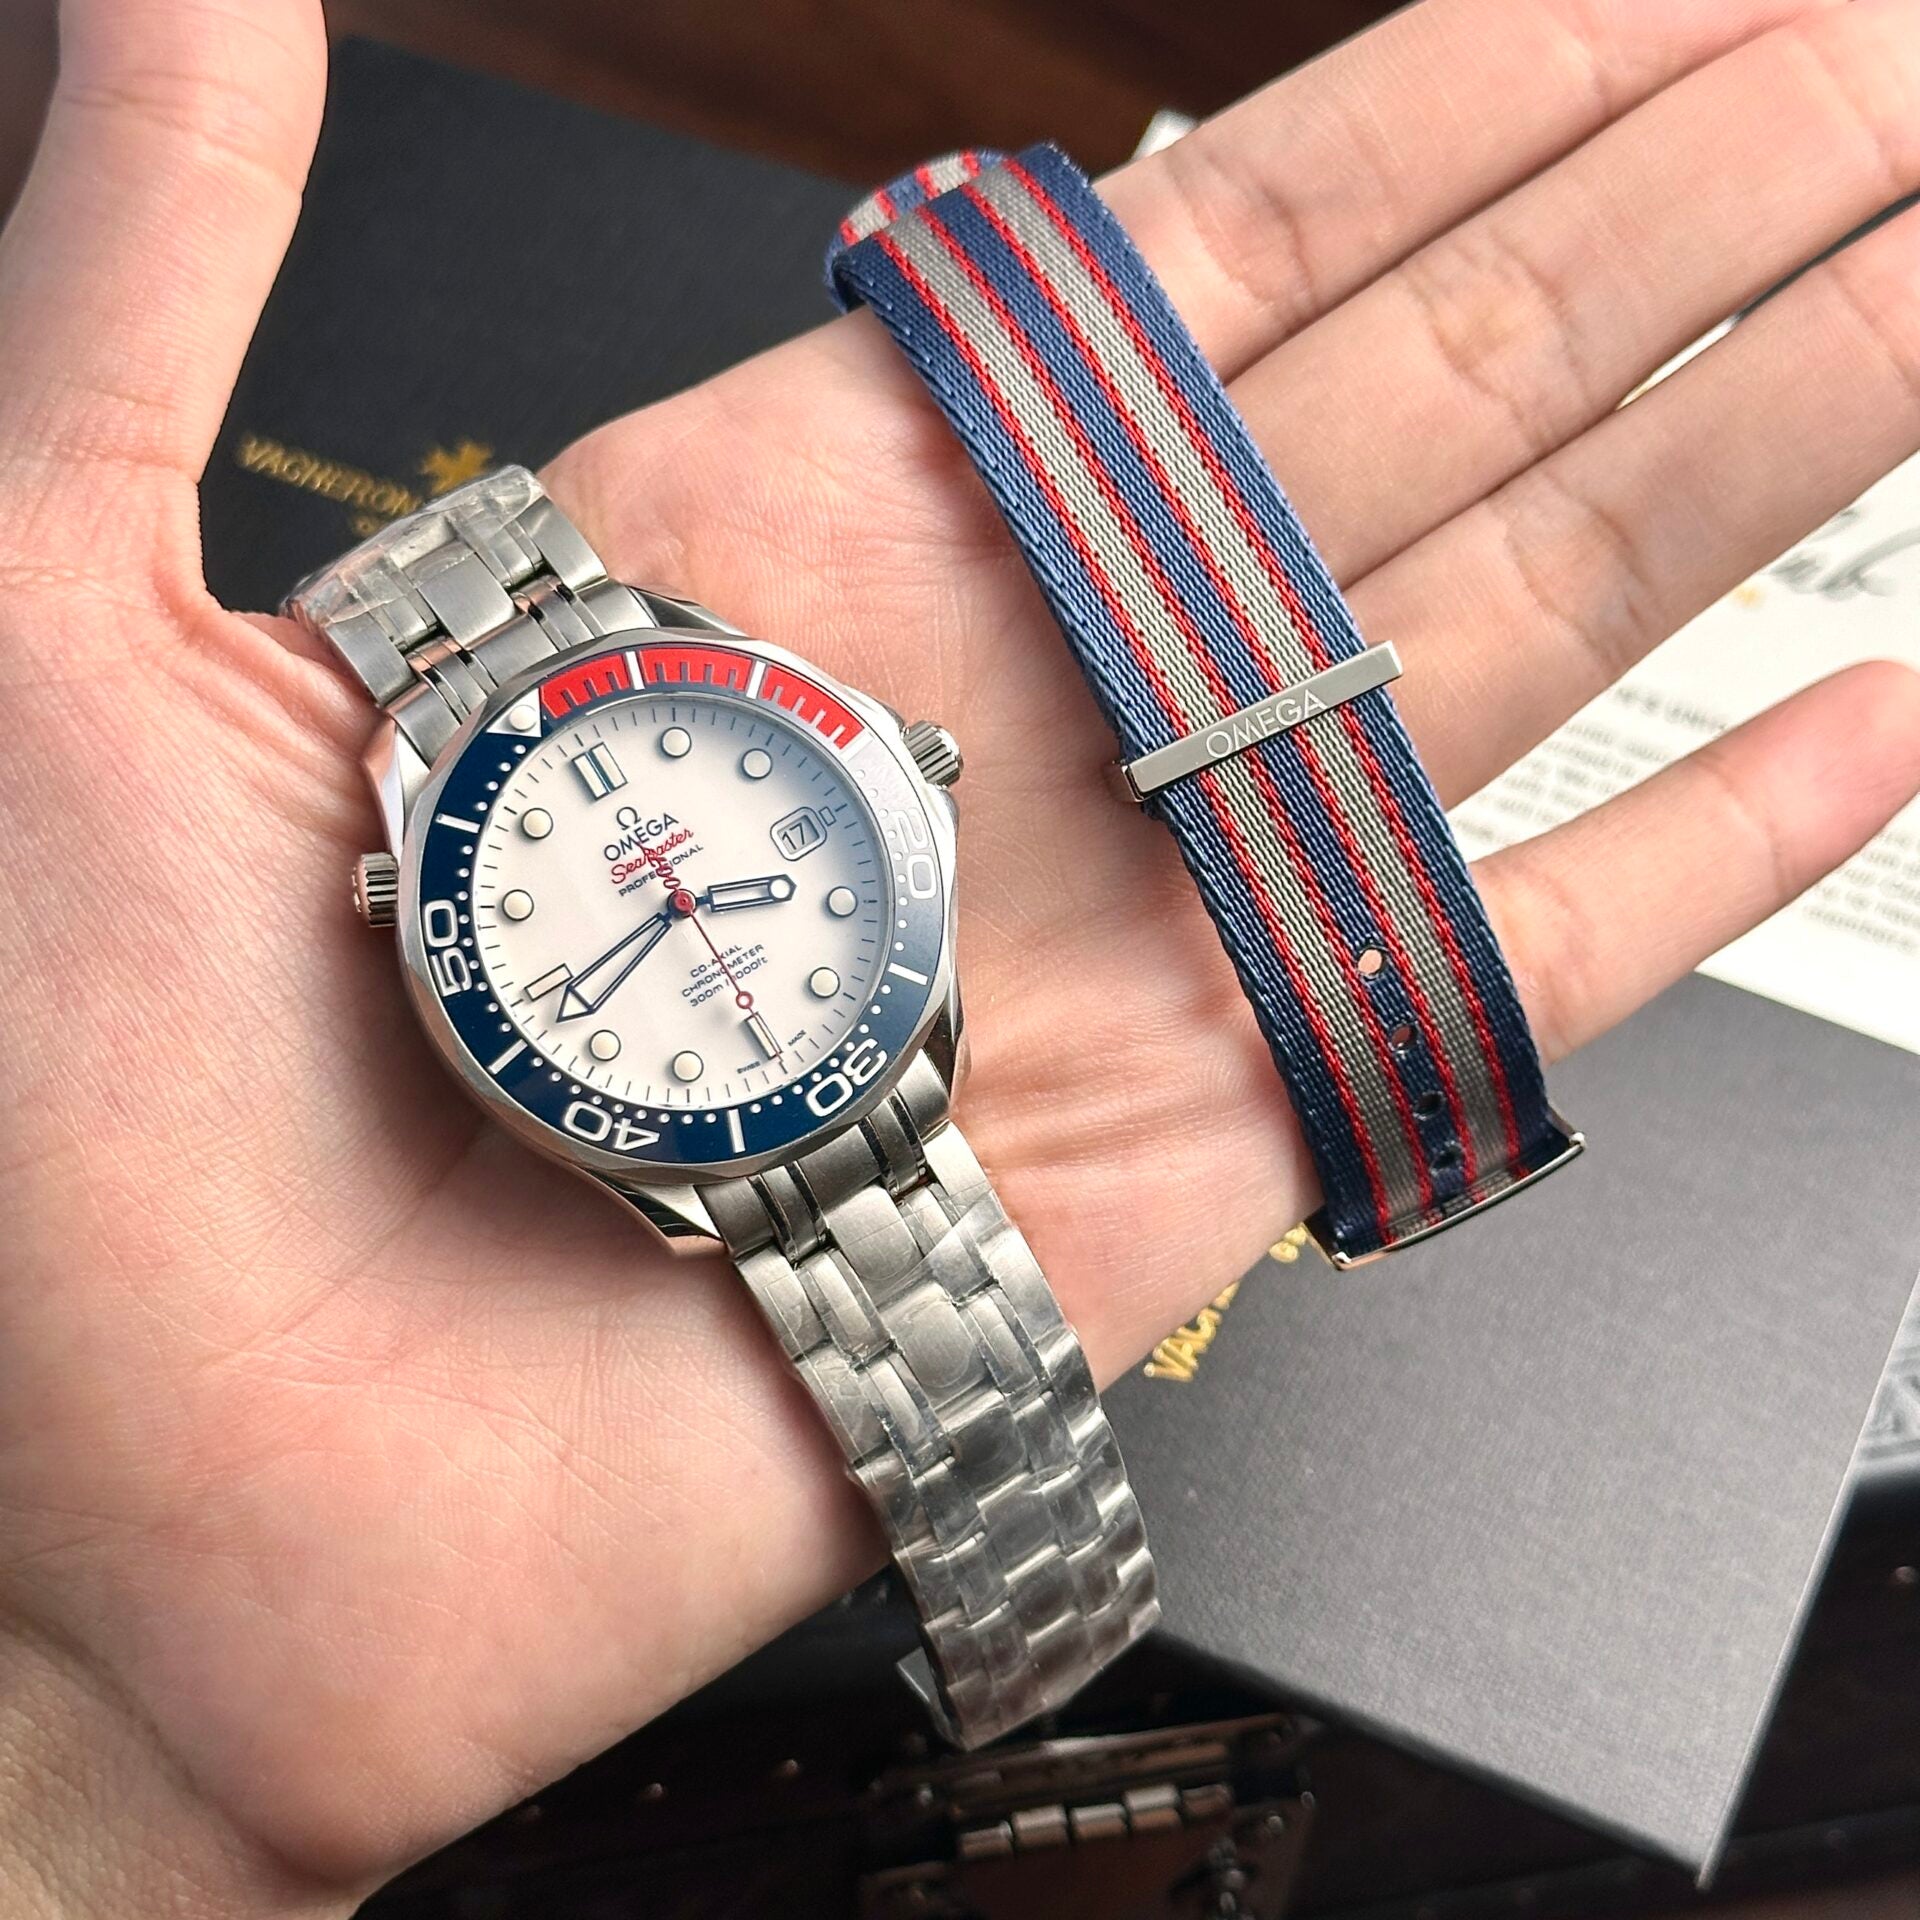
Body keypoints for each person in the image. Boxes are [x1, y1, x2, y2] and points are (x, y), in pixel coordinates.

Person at [1, 0, 1917, 1909]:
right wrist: (86, 1727)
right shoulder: (481, 981)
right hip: (707, 1136)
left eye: (705, 859)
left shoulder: (830, 815)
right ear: (411, 924)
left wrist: (103, 1766)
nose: (680, 892)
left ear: (886, 765)